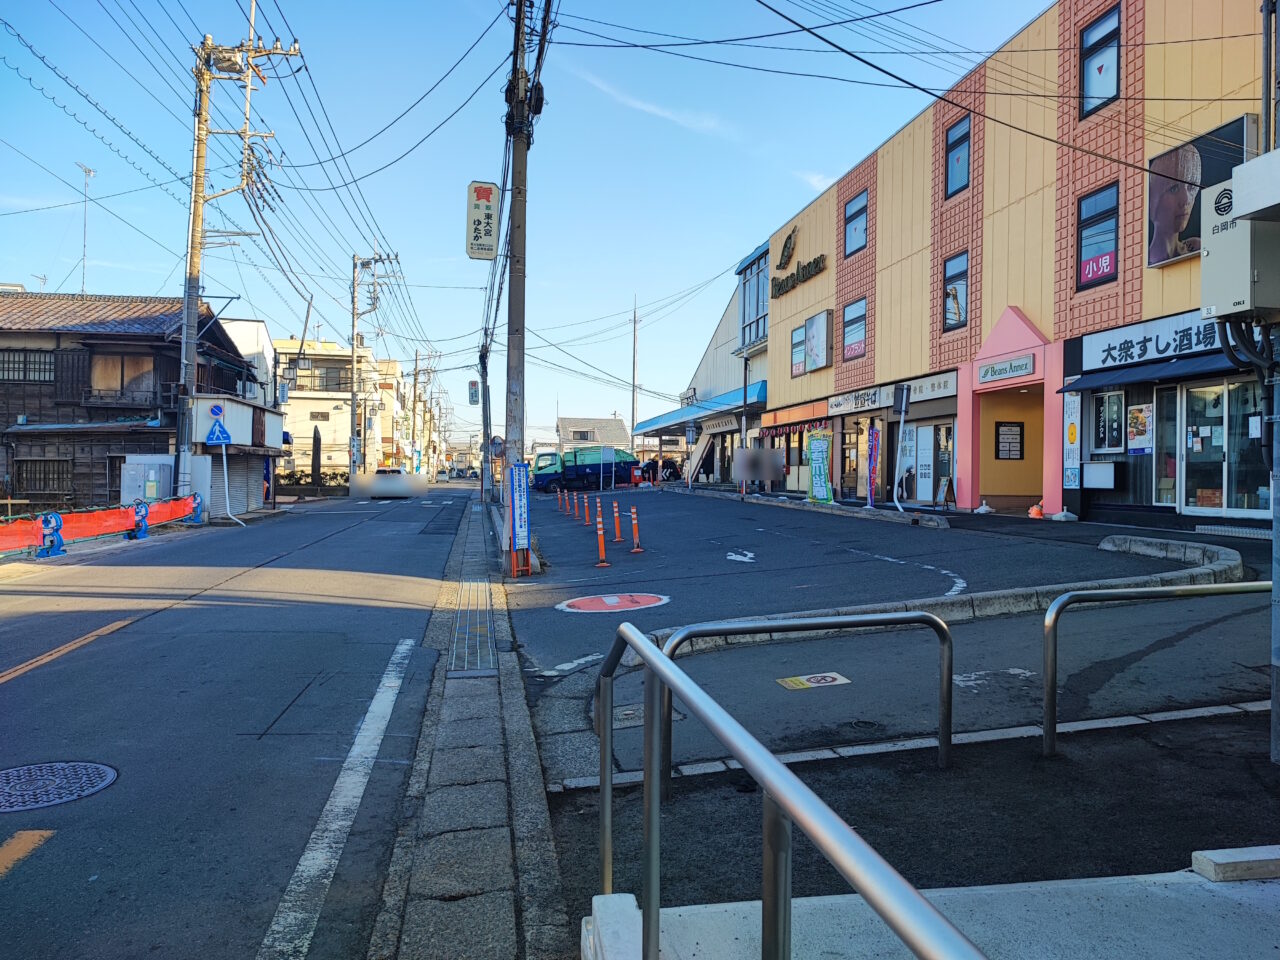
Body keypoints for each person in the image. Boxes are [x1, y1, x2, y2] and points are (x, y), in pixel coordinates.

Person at [1148, 144, 1202, 266]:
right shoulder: (1144, 261)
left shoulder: (1196, 245)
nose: (1186, 200)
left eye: (1191, 187)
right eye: (1173, 189)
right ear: (1153, 200)